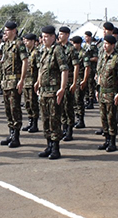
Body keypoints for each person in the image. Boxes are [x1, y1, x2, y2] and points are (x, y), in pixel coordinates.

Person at [35, 26, 69, 160]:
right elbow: (41, 69)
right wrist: (38, 82)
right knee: (45, 120)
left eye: (46, 36)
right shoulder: (44, 51)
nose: (43, 39)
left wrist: (62, 88)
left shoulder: (57, 50)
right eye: (43, 36)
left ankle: (55, 148)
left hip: (53, 92)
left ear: (53, 37)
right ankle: (48, 145)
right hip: (43, 92)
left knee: (54, 120)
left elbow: (64, 69)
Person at [0, 21, 28, 148]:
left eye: (8, 30)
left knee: (15, 108)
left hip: (15, 81)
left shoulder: (19, 44)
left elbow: (25, 61)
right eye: (5, 30)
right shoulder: (6, 45)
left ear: (14, 31)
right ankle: (10, 133)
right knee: (8, 109)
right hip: (6, 82)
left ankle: (16, 136)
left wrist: (22, 80)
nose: (5, 32)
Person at [97, 35, 118, 152]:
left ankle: (113, 142)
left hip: (111, 93)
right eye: (104, 43)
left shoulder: (117, 59)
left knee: (111, 118)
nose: (105, 46)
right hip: (102, 92)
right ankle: (106, 140)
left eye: (107, 44)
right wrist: (97, 89)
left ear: (113, 45)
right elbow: (99, 74)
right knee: (103, 118)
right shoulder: (102, 58)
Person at [58, 26, 78, 141]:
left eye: (61, 34)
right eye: (59, 34)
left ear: (67, 35)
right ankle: (63, 129)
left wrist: (74, 83)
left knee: (68, 107)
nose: (59, 36)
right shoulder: (58, 48)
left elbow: (76, 66)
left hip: (69, 81)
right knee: (61, 107)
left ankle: (69, 131)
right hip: (60, 81)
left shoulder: (71, 49)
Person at [71, 35, 91, 129]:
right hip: (74, 78)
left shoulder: (83, 53)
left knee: (79, 100)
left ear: (78, 43)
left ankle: (80, 120)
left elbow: (87, 67)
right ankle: (77, 118)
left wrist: (84, 80)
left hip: (80, 78)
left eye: (74, 43)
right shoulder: (73, 53)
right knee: (74, 101)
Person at [22, 33, 40, 133]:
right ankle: (30, 122)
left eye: (28, 41)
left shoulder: (36, 53)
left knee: (33, 104)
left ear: (33, 41)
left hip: (33, 82)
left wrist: (38, 82)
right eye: (25, 40)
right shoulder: (27, 53)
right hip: (26, 82)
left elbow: (39, 68)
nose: (25, 42)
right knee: (27, 103)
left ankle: (35, 124)